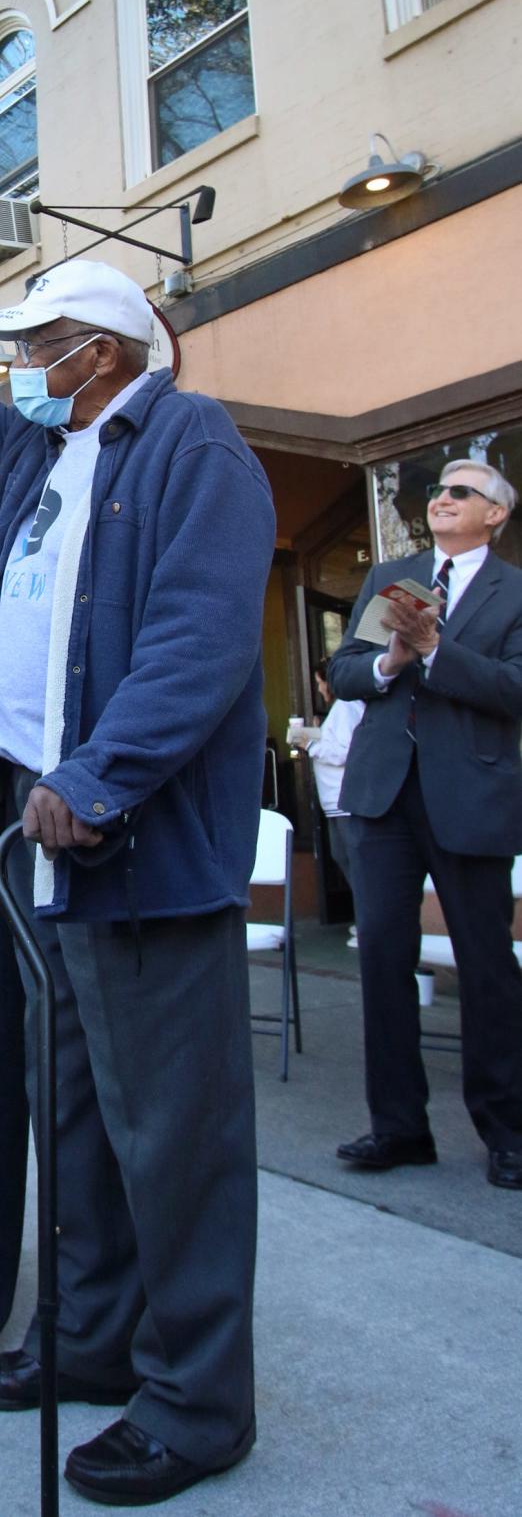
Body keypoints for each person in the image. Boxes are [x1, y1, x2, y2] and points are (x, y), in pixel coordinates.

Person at [0, 211, 275, 1509]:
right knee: (77, 1113)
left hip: (131, 839)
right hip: (43, 842)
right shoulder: (45, 449)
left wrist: (96, 774)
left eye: (36, 344)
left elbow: (201, 637)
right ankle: (91, 1338)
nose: (18, 366)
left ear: (98, 351)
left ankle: (196, 1399)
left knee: (175, 1135)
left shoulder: (190, 445)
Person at [329, 461, 522, 1190]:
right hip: (383, 793)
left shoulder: (515, 592)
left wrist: (439, 652)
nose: (442, 498)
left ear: (495, 516)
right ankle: (399, 1126)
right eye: (439, 490)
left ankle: (507, 1130)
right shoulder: (393, 573)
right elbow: (344, 671)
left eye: (462, 492)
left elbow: (515, 688)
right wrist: (390, 659)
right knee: (381, 956)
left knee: (484, 964)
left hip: (471, 796)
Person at [286, 661, 363, 886]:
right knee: (344, 858)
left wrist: (309, 743)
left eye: (320, 683)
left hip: (344, 801)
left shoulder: (347, 706)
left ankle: (368, 919)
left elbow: (344, 752)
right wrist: (313, 734)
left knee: (354, 863)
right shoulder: (341, 708)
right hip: (335, 803)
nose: (319, 689)